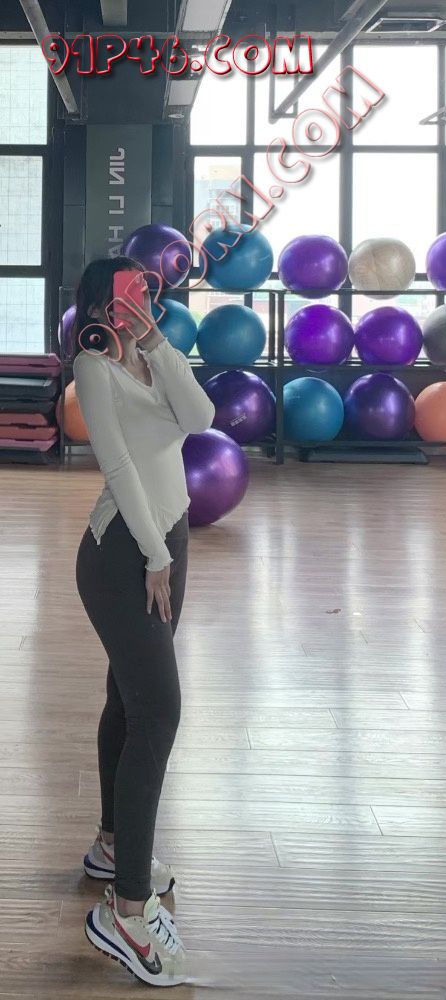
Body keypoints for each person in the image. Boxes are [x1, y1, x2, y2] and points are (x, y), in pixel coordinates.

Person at [72, 257, 215, 987]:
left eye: (147, 289)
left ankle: (110, 844)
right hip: (125, 552)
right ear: (102, 303)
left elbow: (200, 420)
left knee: (130, 700)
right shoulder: (93, 366)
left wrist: (158, 343)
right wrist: (155, 555)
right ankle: (126, 911)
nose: (140, 299)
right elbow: (121, 468)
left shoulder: (154, 356)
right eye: (128, 292)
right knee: (158, 711)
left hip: (170, 537)